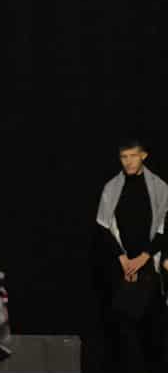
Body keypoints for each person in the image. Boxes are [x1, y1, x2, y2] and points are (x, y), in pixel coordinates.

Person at [92, 137, 167, 372]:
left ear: (143, 156)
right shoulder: (112, 187)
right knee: (121, 329)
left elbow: (164, 227)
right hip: (119, 264)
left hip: (148, 263)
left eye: (133, 156)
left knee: (151, 328)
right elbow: (103, 226)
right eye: (124, 157)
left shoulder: (159, 187)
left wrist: (143, 258)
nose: (128, 161)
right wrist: (124, 260)